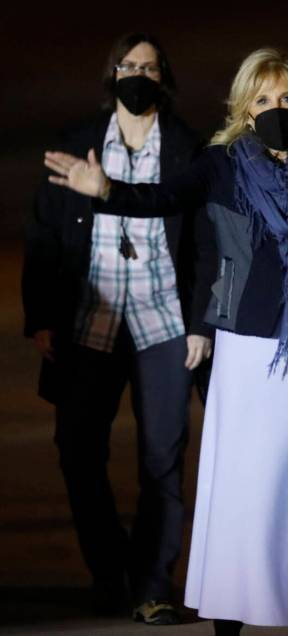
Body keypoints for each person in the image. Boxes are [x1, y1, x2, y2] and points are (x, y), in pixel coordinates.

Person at [44, 47, 288, 635]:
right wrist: (105, 188)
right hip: (249, 355)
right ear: (243, 107)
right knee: (245, 491)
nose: (275, 108)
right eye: (261, 99)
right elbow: (158, 200)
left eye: (286, 97)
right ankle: (232, 619)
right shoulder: (221, 164)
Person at [23, 32, 216, 625]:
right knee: (78, 451)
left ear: (165, 78)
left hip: (165, 321)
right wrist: (42, 318)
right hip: (89, 322)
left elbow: (210, 243)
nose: (137, 74)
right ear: (112, 74)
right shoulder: (78, 144)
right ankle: (110, 573)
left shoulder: (190, 149)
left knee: (163, 457)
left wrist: (203, 323)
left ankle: (154, 583)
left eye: (149, 66)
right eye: (128, 65)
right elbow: (45, 237)